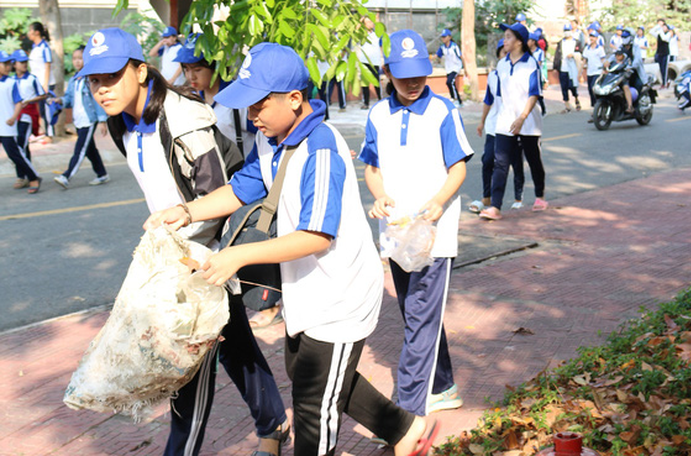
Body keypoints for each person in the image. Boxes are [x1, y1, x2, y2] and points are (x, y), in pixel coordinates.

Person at [144, 41, 437, 456]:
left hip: (341, 294)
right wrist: (186, 211)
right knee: (306, 371)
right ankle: (406, 432)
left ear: (295, 99)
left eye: (259, 105)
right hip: (307, 285)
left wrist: (237, 255)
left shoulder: (319, 148)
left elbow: (317, 236)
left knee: (313, 408)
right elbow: (245, 186)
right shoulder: (273, 137)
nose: (251, 116)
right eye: (248, 106)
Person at [78, 28, 290, 456]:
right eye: (93, 80)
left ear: (140, 72)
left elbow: (218, 199)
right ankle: (273, 425)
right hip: (178, 254)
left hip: (204, 259)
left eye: (111, 77)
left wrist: (189, 265)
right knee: (234, 348)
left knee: (188, 371)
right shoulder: (121, 122)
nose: (101, 90)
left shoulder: (183, 121)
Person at [360, 29, 472, 420]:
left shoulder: (443, 110)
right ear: (387, 71)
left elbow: (457, 168)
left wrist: (438, 204)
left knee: (422, 316)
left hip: (434, 235)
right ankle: (443, 386)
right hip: (396, 233)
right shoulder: (377, 114)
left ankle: (406, 409)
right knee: (415, 313)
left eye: (419, 74)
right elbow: (371, 169)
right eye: (403, 74)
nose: (412, 82)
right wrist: (378, 196)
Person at [174, 34, 284, 329]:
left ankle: (270, 302)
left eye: (197, 68)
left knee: (265, 236)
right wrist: (186, 212)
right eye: (186, 70)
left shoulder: (313, 147)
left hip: (264, 178)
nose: (191, 76)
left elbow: (316, 236)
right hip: (249, 177)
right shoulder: (204, 103)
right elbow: (238, 189)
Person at [480, 22, 547, 221]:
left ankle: (540, 196)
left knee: (533, 159)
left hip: (527, 121)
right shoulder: (501, 65)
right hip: (505, 121)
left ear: (519, 41)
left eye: (508, 36)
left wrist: (522, 117)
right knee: (500, 163)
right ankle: (495, 207)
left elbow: (534, 94)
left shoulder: (531, 63)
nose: (505, 40)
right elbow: (497, 96)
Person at [471, 39, 524, 214]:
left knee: (515, 162)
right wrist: (482, 121)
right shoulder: (493, 76)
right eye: (503, 53)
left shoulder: (519, 73)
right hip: (495, 125)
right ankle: (487, 197)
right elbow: (488, 100)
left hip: (514, 124)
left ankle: (518, 198)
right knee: (488, 160)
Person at [52, 46, 110, 189]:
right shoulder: (74, 80)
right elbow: (69, 99)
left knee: (80, 150)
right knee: (90, 149)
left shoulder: (90, 79)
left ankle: (66, 176)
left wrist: (102, 120)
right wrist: (59, 101)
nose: (77, 62)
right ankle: (102, 174)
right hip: (78, 121)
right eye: (74, 59)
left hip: (89, 119)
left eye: (80, 58)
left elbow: (97, 101)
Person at [1, 50, 42, 193]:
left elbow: (19, 102)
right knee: (18, 152)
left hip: (8, 126)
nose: (8, 67)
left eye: (8, 64)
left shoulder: (11, 83)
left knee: (15, 154)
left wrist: (13, 118)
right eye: (4, 64)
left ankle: (33, 177)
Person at [12, 49, 46, 189]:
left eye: (26, 62)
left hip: (28, 115)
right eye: (21, 62)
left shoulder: (32, 79)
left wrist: (29, 100)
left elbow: (42, 95)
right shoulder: (11, 80)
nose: (24, 64)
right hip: (14, 116)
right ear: (14, 64)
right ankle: (25, 175)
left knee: (20, 144)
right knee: (22, 147)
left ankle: (25, 175)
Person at [27, 21, 55, 139]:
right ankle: (43, 132)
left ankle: (50, 135)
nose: (28, 33)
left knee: (48, 110)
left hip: (45, 84)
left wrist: (45, 84)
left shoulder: (45, 47)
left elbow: (47, 66)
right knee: (42, 111)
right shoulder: (35, 47)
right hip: (37, 84)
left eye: (30, 30)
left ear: (36, 32)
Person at [358, 16, 383, 110]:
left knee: (376, 82)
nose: (370, 24)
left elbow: (381, 46)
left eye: (370, 22)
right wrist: (362, 18)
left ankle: (380, 99)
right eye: (367, 22)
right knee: (365, 84)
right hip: (364, 62)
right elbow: (356, 28)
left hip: (375, 62)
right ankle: (366, 103)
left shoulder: (377, 34)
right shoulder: (361, 34)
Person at [555, 23, 581, 112]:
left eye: (568, 31)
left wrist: (573, 55)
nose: (567, 33)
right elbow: (557, 55)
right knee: (564, 87)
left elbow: (580, 54)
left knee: (572, 86)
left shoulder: (576, 42)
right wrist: (556, 67)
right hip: (563, 67)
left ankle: (576, 98)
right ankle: (567, 105)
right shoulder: (561, 43)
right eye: (565, 31)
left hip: (572, 68)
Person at [436, 29, 463, 106]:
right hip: (448, 68)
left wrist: (465, 68)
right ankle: (458, 100)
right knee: (451, 83)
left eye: (445, 37)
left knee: (449, 82)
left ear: (449, 37)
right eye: (442, 37)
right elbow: (437, 55)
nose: (443, 39)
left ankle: (455, 99)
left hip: (456, 66)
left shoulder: (454, 46)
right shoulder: (442, 47)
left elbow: (461, 56)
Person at [583, 30, 606, 113]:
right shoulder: (587, 49)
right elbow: (584, 61)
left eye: (593, 37)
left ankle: (599, 106)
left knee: (594, 88)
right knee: (590, 89)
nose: (591, 38)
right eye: (590, 37)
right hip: (590, 72)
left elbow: (603, 60)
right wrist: (580, 72)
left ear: (596, 38)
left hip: (598, 72)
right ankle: (595, 107)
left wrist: (605, 69)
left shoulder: (599, 49)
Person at [649, 19, 671, 88]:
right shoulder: (659, 34)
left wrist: (660, 30)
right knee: (661, 69)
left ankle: (664, 83)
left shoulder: (668, 34)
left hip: (665, 53)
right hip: (660, 53)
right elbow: (651, 31)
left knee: (665, 68)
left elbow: (664, 38)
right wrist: (658, 26)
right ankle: (666, 81)